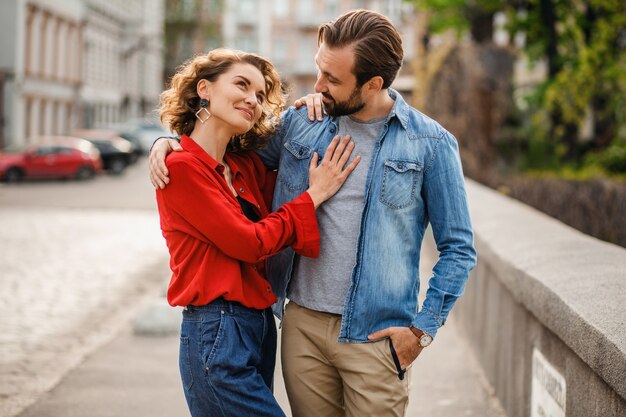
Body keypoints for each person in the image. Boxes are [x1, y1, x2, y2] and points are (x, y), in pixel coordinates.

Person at [151, 10, 477, 417]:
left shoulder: (430, 143)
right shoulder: (301, 124)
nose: (318, 85)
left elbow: (459, 249)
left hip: (374, 337)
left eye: (333, 79)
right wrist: (169, 143)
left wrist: (421, 331)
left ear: (373, 83)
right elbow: (224, 148)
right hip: (300, 328)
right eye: (320, 70)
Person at [155, 48, 359, 417]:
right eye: (242, 85)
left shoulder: (243, 167)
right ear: (205, 88)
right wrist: (314, 195)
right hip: (215, 328)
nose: (252, 99)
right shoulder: (182, 168)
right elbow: (250, 243)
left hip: (259, 326)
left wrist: (318, 101)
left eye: (261, 95)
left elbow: (285, 195)